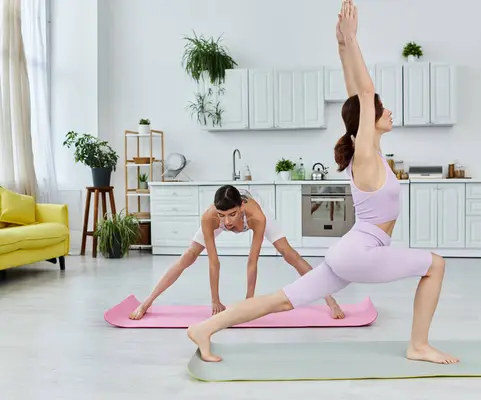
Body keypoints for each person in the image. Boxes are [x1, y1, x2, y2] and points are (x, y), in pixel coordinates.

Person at [187, 0, 459, 365]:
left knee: (282, 299)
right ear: (369, 119)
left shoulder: (370, 152)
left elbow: (356, 96)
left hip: (351, 251)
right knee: (435, 264)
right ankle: (419, 345)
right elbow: (363, 95)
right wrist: (353, 40)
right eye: (383, 109)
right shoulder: (363, 155)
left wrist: (342, 46)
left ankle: (205, 328)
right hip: (361, 252)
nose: (388, 111)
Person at [129, 184, 345, 320]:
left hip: (255, 215)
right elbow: (214, 262)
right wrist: (215, 300)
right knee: (188, 256)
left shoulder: (256, 216)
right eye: (222, 215)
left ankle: (330, 300)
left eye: (232, 214)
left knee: (290, 255)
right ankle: (146, 302)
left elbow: (252, 262)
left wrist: (248, 303)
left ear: (241, 206)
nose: (227, 222)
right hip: (222, 216)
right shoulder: (210, 218)